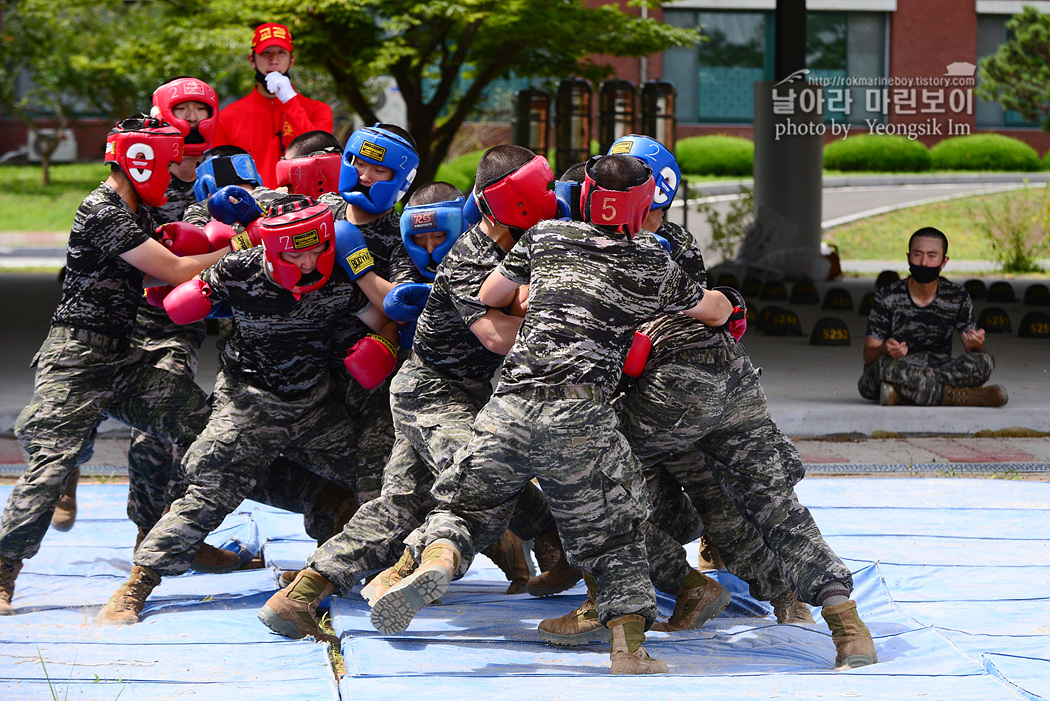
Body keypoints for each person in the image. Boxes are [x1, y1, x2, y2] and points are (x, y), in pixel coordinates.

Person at [366, 154, 736, 675]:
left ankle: (442, 558)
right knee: (614, 530)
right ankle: (629, 650)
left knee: (467, 504)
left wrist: (546, 302)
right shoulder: (653, 262)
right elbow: (713, 310)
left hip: (509, 404)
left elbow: (490, 295)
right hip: (578, 415)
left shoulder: (549, 238)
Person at [256, 162, 575, 643]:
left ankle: (300, 595)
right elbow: (491, 333)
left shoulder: (519, 250)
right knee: (481, 477)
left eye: (435, 238)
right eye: (418, 239)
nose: (428, 249)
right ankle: (430, 560)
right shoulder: (470, 259)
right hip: (434, 391)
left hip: (461, 393)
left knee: (399, 504)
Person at [96, 198, 399, 625]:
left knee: (377, 481)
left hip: (314, 405)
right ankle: (138, 584)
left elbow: (382, 317)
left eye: (317, 250)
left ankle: (337, 573)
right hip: (249, 403)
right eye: (297, 252)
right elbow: (173, 292)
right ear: (273, 249)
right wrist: (191, 290)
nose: (309, 262)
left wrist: (383, 343)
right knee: (209, 490)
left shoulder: (337, 277)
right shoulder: (239, 270)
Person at [0, 116, 230, 615]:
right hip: (77, 359)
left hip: (123, 358)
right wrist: (233, 251)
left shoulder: (139, 212)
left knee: (209, 425)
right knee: (49, 468)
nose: (173, 177)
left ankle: (169, 538)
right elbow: (172, 268)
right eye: (168, 166)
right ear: (140, 162)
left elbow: (179, 253)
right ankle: (2, 573)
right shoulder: (103, 210)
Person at [859, 226, 1006, 407]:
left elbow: (972, 351)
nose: (924, 263)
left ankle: (902, 395)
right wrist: (884, 350)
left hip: (938, 367)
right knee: (882, 368)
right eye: (918, 254)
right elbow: (869, 355)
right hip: (898, 366)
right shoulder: (887, 296)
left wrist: (978, 344)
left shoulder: (957, 296)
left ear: (944, 262)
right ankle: (956, 396)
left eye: (932, 256)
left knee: (985, 361)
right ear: (908, 258)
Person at [213, 22, 333, 188]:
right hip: (252, 208)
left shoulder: (318, 110)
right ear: (252, 60)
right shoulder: (227, 117)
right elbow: (220, 173)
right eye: (266, 53)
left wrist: (290, 101)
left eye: (281, 53)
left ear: (291, 60)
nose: (273, 60)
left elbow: (322, 158)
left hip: (305, 207)